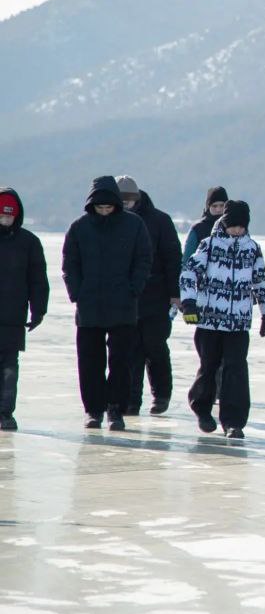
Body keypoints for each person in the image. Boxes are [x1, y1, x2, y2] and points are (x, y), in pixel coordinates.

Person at [62, 176, 153, 431]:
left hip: (123, 304)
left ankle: (116, 409)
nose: (104, 212)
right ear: (92, 205)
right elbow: (70, 262)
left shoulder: (133, 225)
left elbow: (144, 259)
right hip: (89, 305)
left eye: (108, 207)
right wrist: (76, 292)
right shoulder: (80, 227)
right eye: (99, 208)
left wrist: (134, 288)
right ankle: (93, 410)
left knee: (121, 361)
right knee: (90, 361)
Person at [180, 200, 265, 438]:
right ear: (224, 223)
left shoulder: (252, 249)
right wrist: (189, 302)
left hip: (238, 322)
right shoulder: (209, 245)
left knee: (236, 370)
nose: (237, 231)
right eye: (233, 226)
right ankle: (201, 408)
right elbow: (189, 272)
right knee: (209, 366)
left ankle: (234, 422)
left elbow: (261, 282)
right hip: (210, 320)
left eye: (241, 227)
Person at [116, 175, 182, 416]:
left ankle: (161, 395)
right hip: (127, 297)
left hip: (157, 294)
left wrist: (175, 293)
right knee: (131, 349)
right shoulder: (112, 220)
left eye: (129, 199)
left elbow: (173, 258)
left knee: (155, 346)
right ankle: (132, 400)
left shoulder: (160, 221)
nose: (125, 204)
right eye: (120, 199)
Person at [0, 188, 49, 431]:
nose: (5, 220)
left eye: (9, 216)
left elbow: (38, 279)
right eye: (1, 216)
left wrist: (39, 309)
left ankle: (6, 412)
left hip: (12, 317)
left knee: (9, 367)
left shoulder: (29, 243)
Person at [183, 186, 229, 263]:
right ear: (208, 206)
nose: (218, 209)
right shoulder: (197, 229)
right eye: (214, 206)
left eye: (222, 205)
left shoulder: (234, 227)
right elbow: (187, 259)